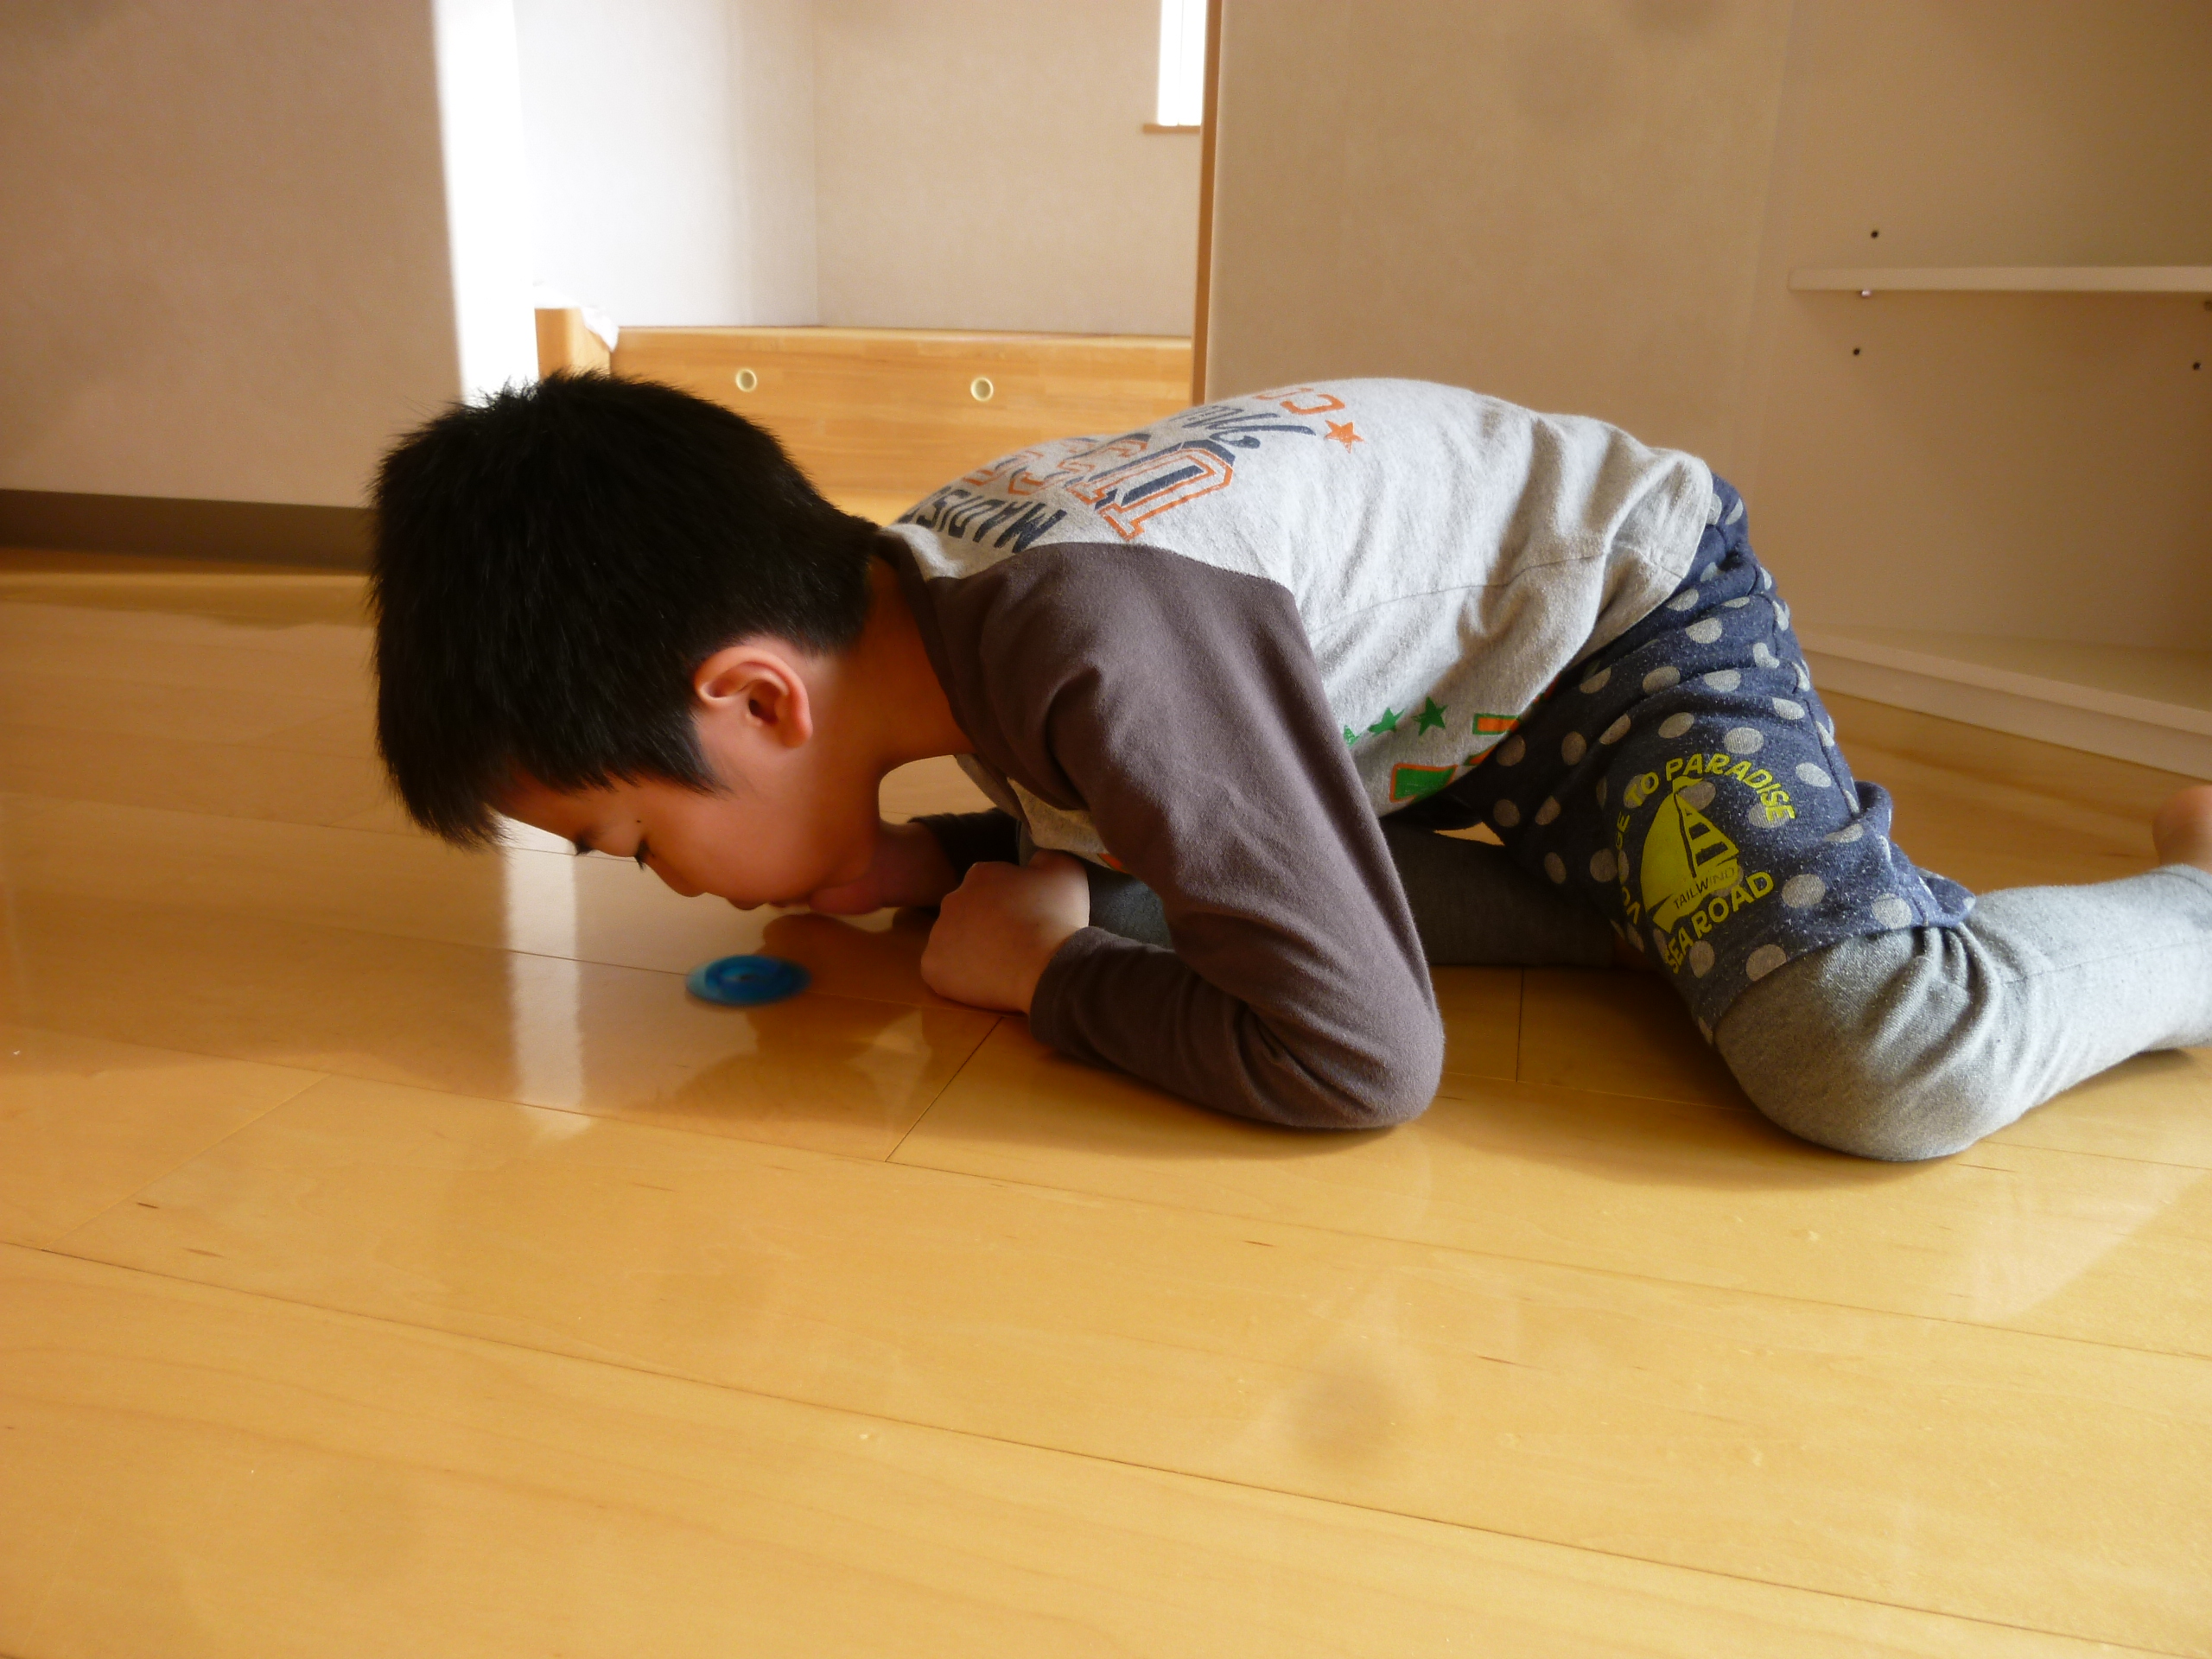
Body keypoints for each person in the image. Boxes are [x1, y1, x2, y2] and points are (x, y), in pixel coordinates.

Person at [371, 372, 2212, 1159]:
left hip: (1615, 636)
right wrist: (924, 869)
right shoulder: (931, 606)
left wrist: (1049, 980)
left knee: (1867, 1059)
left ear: (759, 704)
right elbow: (1156, 799)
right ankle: (1685, 904)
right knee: (1157, 900)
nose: (672, 885)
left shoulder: (1091, 642)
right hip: (1440, 723)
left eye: (632, 840)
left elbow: (1360, 1067)